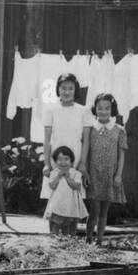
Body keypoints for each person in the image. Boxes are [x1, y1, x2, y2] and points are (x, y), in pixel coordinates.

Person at [40, 73, 94, 201]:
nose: (67, 92)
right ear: (58, 89)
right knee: (55, 194)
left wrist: (83, 163)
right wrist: (46, 164)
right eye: (63, 88)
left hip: (75, 154)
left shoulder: (84, 111)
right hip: (56, 155)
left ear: (75, 90)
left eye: (70, 88)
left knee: (73, 194)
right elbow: (47, 140)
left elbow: (86, 139)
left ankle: (72, 221)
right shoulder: (50, 110)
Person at [86, 92, 128, 244]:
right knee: (94, 209)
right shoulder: (90, 129)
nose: (103, 111)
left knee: (104, 211)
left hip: (110, 175)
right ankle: (88, 238)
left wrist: (118, 175)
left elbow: (121, 154)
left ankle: (99, 240)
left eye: (107, 108)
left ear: (112, 110)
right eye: (100, 108)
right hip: (94, 173)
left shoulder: (119, 130)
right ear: (95, 109)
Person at [44, 145, 87, 237]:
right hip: (57, 206)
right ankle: (54, 241)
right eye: (59, 159)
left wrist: (68, 178)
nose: (63, 162)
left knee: (69, 231)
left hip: (71, 206)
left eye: (66, 159)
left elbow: (76, 186)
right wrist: (59, 176)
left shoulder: (76, 173)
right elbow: (52, 186)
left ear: (71, 161)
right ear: (55, 162)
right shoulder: (54, 172)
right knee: (54, 228)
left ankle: (68, 242)